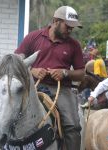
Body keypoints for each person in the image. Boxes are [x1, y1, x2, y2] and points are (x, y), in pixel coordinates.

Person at [15, 5, 85, 150]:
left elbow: (81, 73)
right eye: (68, 26)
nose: (70, 30)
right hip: (32, 87)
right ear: (55, 21)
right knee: (6, 116)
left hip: (61, 90)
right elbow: (16, 61)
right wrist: (32, 70)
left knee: (73, 126)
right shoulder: (33, 37)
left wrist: (65, 73)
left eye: (73, 27)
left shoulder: (74, 45)